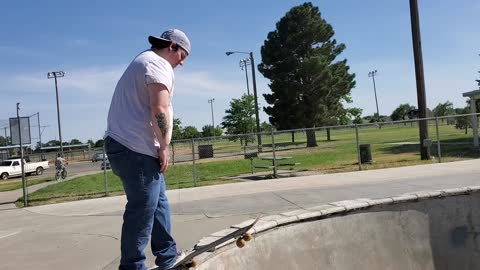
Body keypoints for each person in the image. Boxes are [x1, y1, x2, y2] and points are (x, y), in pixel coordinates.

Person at [104, 29, 190, 270]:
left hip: (132, 147)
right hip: (135, 149)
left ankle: (167, 256)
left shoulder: (142, 60)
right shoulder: (157, 63)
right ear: (172, 46)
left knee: (158, 202)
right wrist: (164, 147)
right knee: (142, 210)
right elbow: (159, 109)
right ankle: (132, 266)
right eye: (182, 55)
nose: (181, 63)